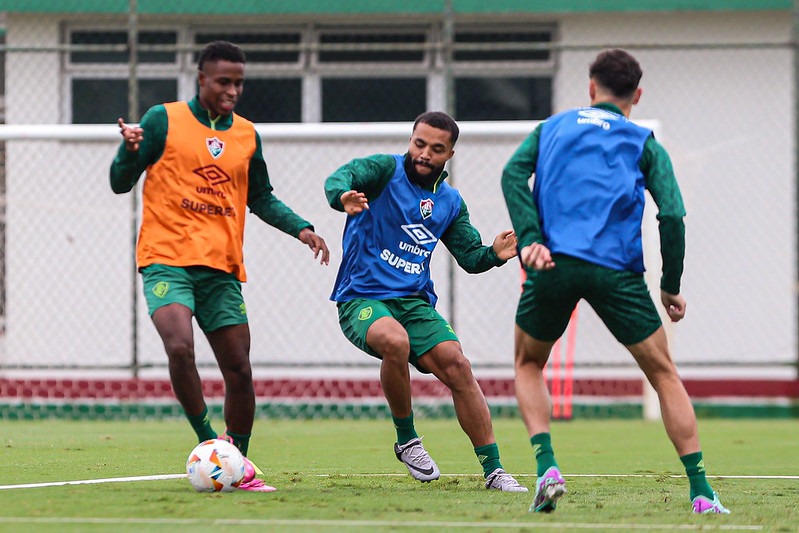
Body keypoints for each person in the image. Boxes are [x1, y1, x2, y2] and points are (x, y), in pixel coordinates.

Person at [500, 49, 730, 514]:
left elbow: (511, 174)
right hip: (617, 271)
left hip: (554, 264)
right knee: (664, 374)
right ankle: (702, 493)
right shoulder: (644, 142)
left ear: (590, 87)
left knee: (528, 363)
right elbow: (674, 215)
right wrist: (670, 284)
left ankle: (547, 468)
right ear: (637, 95)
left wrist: (529, 239)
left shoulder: (552, 128)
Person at [109, 40, 330, 493]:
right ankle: (211, 445)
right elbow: (119, 183)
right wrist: (129, 152)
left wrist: (302, 229)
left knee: (239, 369)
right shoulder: (162, 119)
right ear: (202, 79)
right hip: (166, 259)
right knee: (179, 348)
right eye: (224, 81)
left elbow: (262, 197)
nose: (232, 90)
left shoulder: (247, 134)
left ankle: (239, 460)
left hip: (220, 270)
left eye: (239, 82)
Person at [325, 111, 527, 492]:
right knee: (395, 341)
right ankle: (408, 440)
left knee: (458, 365)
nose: (424, 154)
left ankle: (495, 470)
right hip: (361, 298)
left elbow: (470, 257)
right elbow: (341, 177)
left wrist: (494, 255)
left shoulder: (450, 201)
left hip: (414, 304)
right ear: (411, 140)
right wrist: (342, 197)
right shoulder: (383, 170)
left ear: (449, 154)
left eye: (436, 149)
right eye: (419, 144)